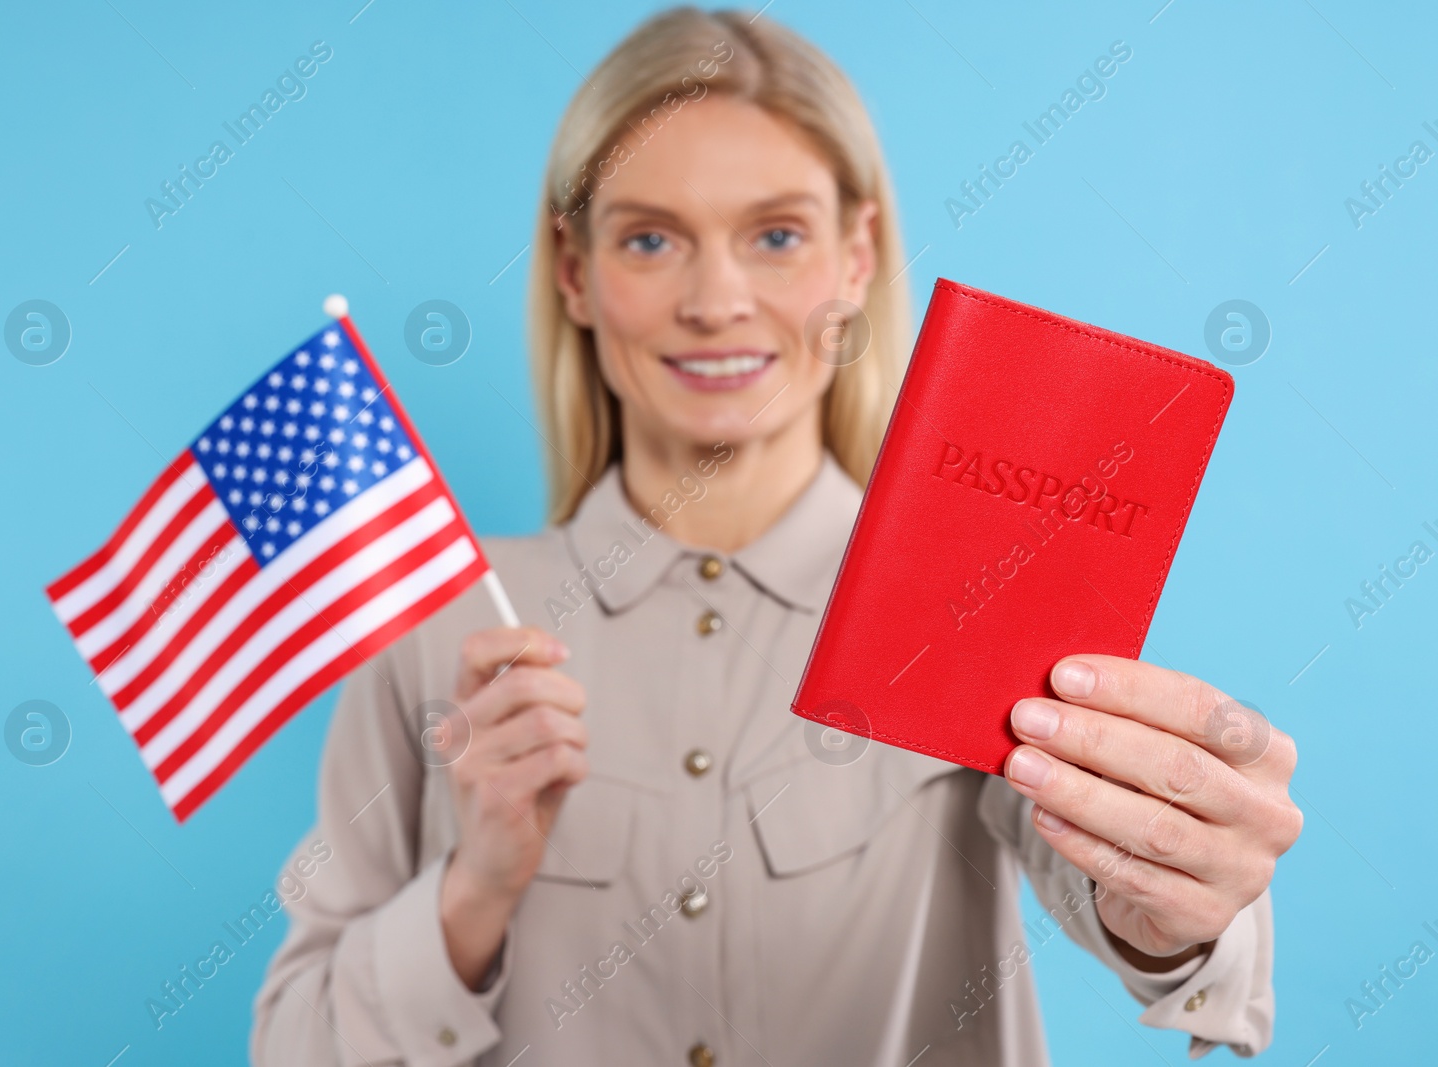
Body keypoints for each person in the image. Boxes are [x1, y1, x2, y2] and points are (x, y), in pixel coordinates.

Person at [252, 8, 1301, 1065]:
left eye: (776, 235)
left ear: (856, 259)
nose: (716, 300)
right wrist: (470, 887)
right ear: (573, 271)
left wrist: (1176, 899)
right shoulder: (441, 626)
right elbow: (289, 1046)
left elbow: (1140, 913)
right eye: (650, 238)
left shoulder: (976, 576)